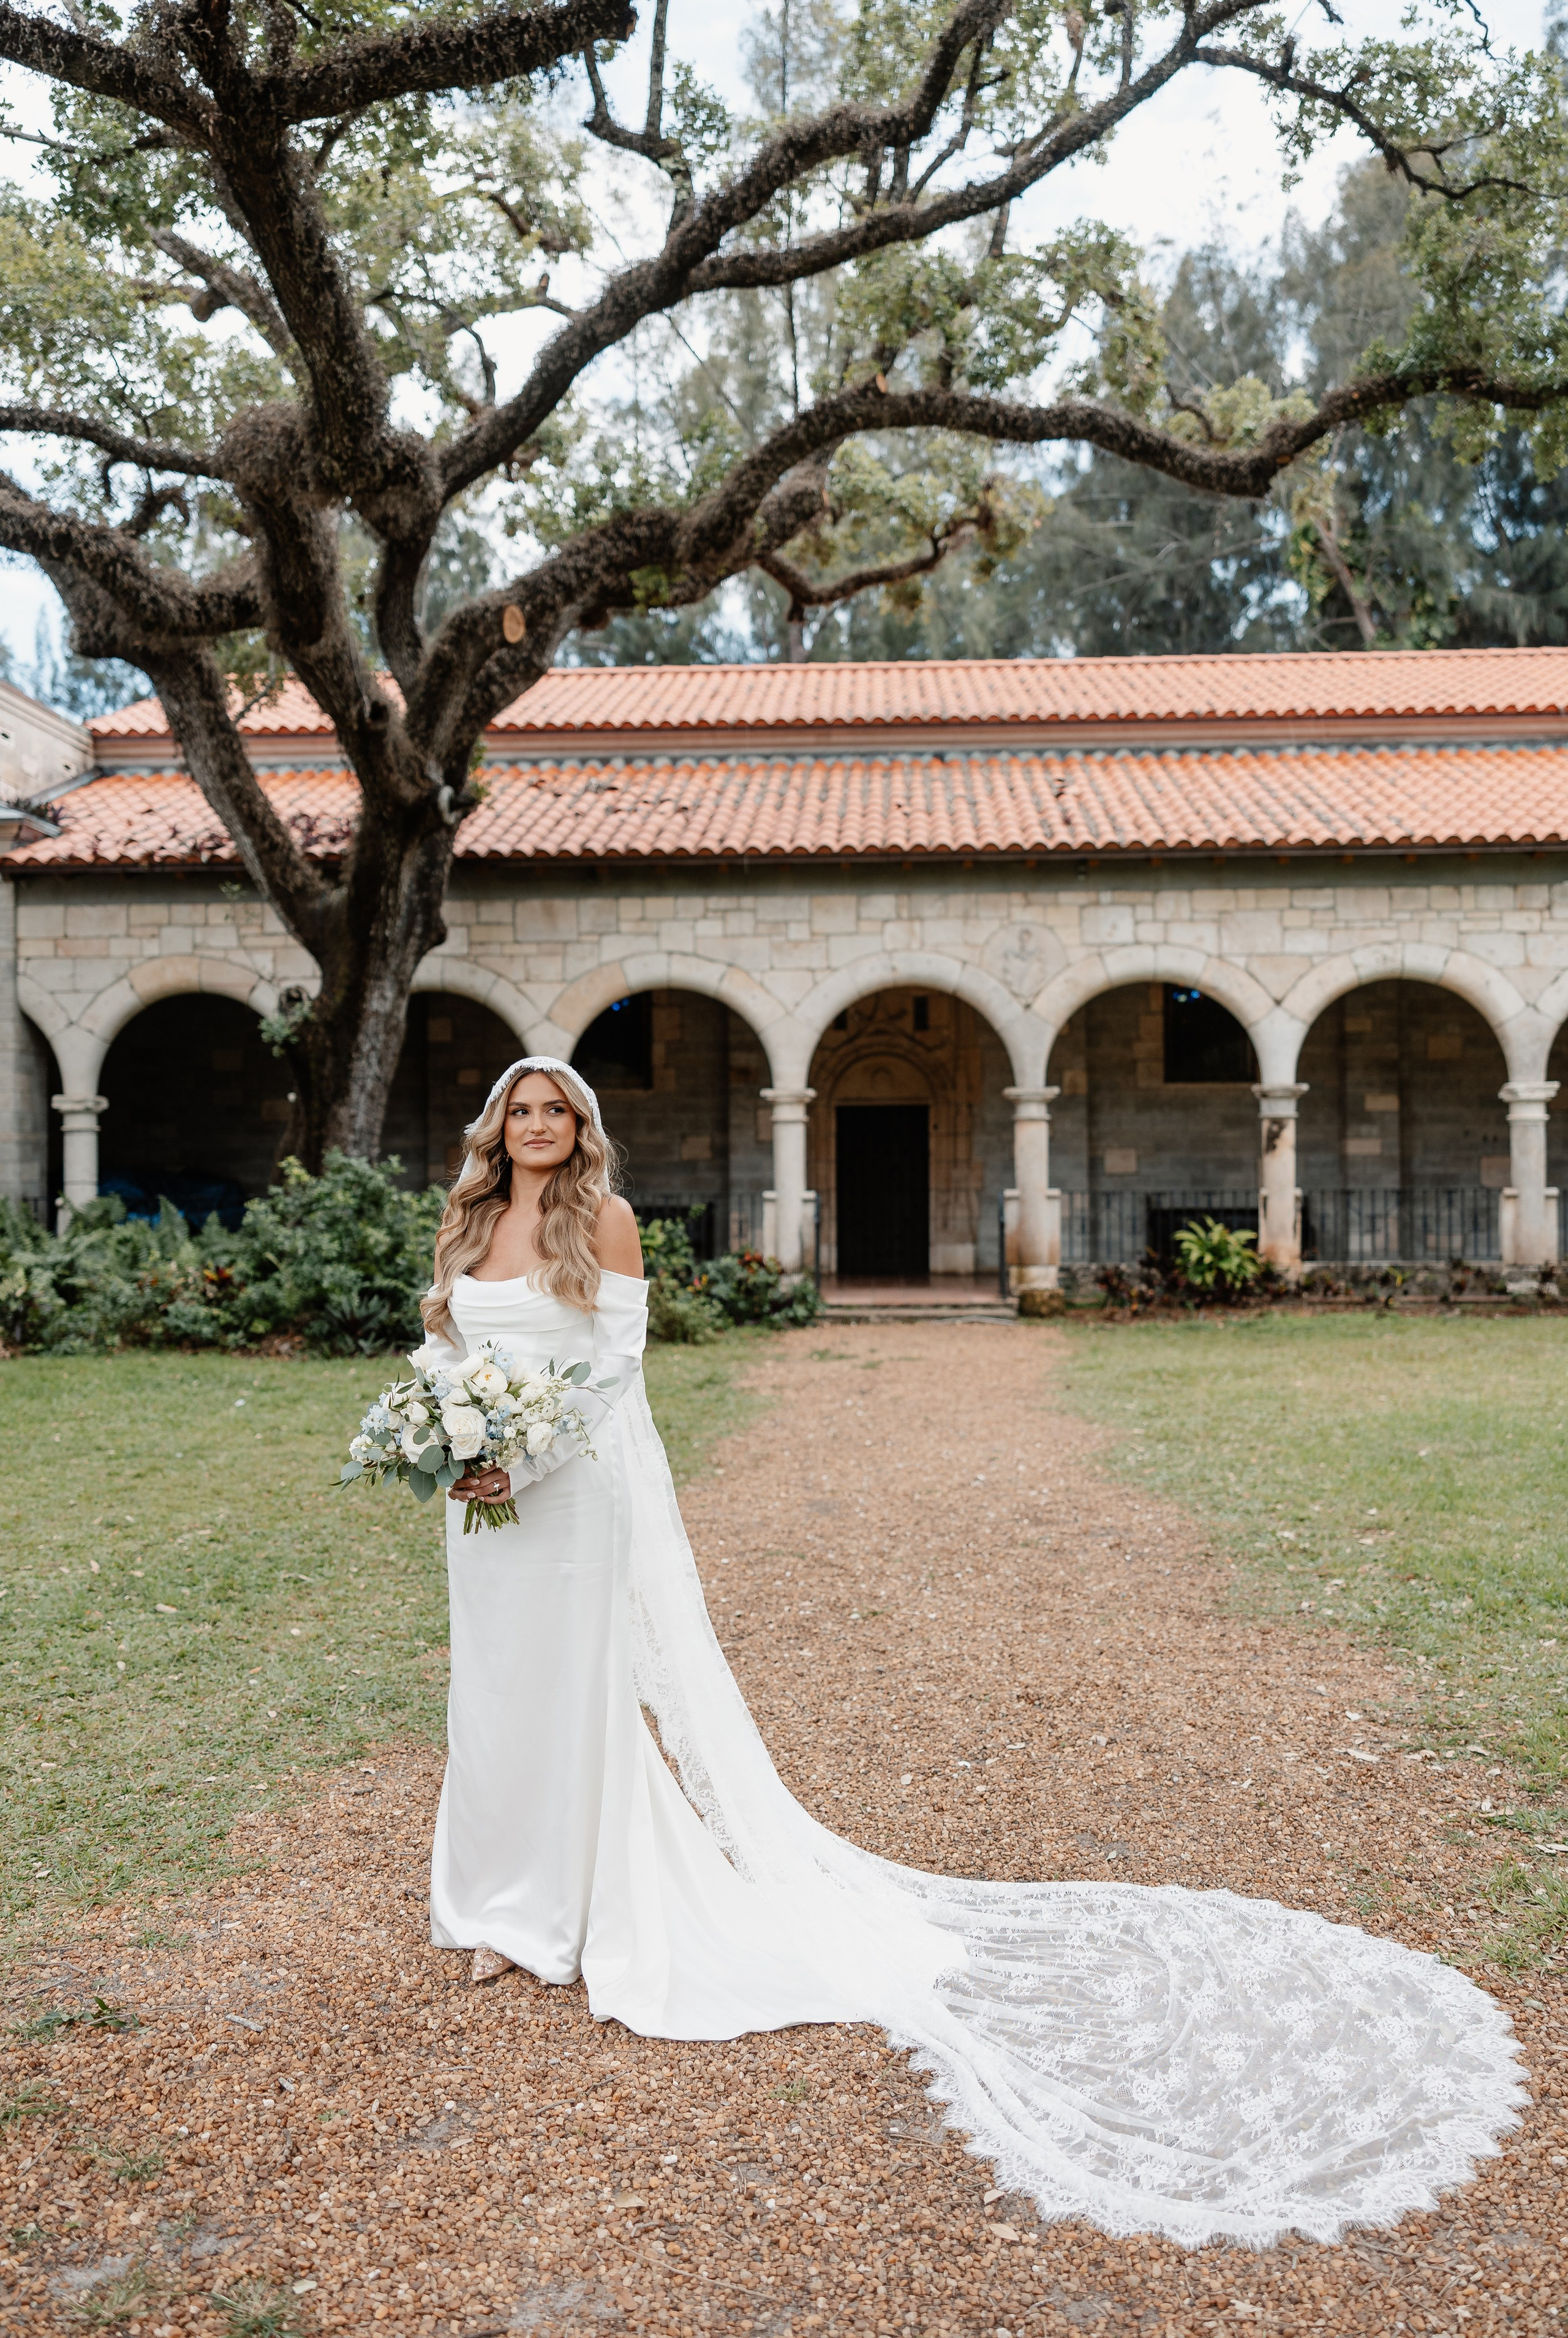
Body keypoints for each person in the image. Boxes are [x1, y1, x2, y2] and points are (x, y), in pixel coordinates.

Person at [421, 1055, 1525, 2249]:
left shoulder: (607, 1218)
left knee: (578, 1694)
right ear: (498, 1129)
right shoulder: (471, 1219)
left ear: (578, 1128)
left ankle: (567, 1913)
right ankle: (495, 1903)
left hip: (567, 1490)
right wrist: (446, 1433)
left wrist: (524, 1457)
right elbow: (440, 1346)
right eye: (519, 1112)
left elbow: (614, 1369)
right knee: (494, 1693)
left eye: (554, 1112)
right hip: (480, 1503)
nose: (535, 1127)